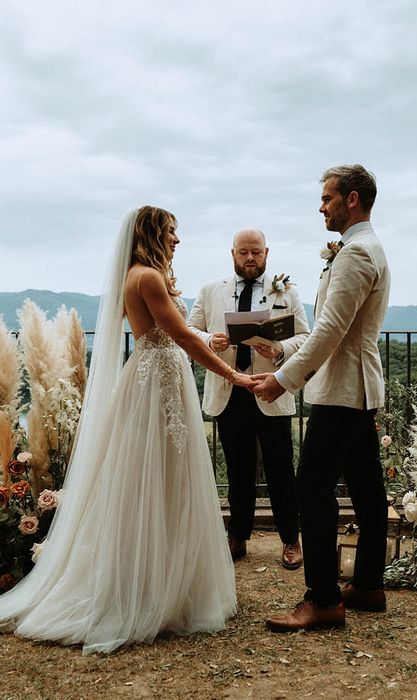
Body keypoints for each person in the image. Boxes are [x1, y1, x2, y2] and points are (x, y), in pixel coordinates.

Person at [0, 206, 252, 654]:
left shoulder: (137, 275)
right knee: (154, 478)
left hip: (155, 379)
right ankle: (149, 591)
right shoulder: (148, 278)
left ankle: (162, 582)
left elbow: (166, 330)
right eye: (173, 232)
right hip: (157, 385)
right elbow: (182, 336)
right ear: (153, 232)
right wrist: (233, 376)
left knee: (155, 477)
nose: (178, 240)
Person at [254, 164, 391, 631]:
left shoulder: (355, 254)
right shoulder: (365, 248)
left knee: (311, 489)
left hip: (341, 389)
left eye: (328, 198)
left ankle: (324, 599)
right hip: (357, 387)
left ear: (352, 199)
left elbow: (332, 330)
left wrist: (283, 379)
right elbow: (335, 329)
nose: (321, 206)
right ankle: (369, 584)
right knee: (369, 490)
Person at [188, 228, 309, 567]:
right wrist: (209, 339)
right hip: (229, 391)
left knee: (281, 469)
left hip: (270, 388)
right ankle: (237, 537)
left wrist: (277, 347)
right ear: (233, 254)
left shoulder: (287, 291)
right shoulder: (211, 291)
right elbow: (189, 330)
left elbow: (304, 336)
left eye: (256, 252)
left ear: (267, 253)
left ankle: (290, 541)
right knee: (239, 471)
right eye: (244, 253)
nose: (251, 259)